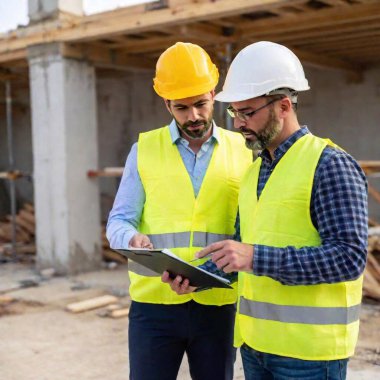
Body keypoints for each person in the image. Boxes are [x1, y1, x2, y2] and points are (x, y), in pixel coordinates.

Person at [163, 41, 368, 380]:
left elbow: (348, 258)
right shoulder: (254, 172)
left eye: (247, 113)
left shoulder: (329, 164)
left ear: (284, 105)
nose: (239, 123)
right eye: (235, 113)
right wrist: (197, 277)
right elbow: (243, 254)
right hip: (256, 348)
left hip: (309, 356)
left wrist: (254, 257)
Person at [106, 42, 252, 380]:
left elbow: (249, 229)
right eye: (182, 108)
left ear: (214, 93)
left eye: (201, 104)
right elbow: (119, 219)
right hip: (154, 307)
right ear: (166, 103)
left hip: (218, 304)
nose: (194, 116)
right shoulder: (143, 149)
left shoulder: (243, 151)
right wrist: (131, 238)